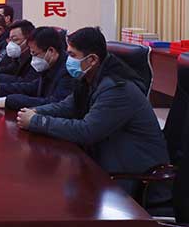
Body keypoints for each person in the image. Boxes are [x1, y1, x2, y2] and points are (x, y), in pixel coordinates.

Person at [17, 27, 171, 202]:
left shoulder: (117, 89)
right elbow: (66, 107)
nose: (68, 60)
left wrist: (37, 121)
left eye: (72, 55)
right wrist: (35, 112)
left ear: (92, 59)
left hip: (134, 179)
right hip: (105, 165)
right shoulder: (89, 79)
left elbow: (87, 131)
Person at [0, 26, 74, 110]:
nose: (33, 58)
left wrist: (11, 101)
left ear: (51, 51)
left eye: (35, 54)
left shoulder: (67, 71)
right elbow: (33, 87)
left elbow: (54, 103)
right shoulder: (50, 64)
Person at [0, 20, 36, 85]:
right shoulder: (19, 56)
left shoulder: (36, 59)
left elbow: (25, 82)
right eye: (10, 40)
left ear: (28, 40)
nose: (11, 44)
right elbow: (10, 69)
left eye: (15, 40)